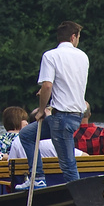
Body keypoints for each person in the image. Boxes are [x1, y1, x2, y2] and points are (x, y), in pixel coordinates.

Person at [29, 20, 89, 179]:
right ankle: (37, 178)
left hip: (61, 117)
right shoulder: (83, 57)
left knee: (68, 165)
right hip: (75, 115)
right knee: (27, 135)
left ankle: (78, 200)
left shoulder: (50, 56)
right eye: (78, 37)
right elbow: (68, 83)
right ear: (73, 37)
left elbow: (47, 85)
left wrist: (41, 111)